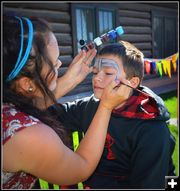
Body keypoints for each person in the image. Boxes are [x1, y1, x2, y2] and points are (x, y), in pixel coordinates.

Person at [2, 15, 132, 189]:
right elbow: (81, 166)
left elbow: (27, 108)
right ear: (27, 84)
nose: (60, 64)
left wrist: (71, 79)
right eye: (54, 64)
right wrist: (106, 106)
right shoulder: (28, 136)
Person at [51, 41, 176, 189]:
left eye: (108, 73)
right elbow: (39, 113)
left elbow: (149, 185)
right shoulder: (89, 106)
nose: (97, 78)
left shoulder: (151, 127)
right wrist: (66, 82)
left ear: (132, 82)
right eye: (95, 72)